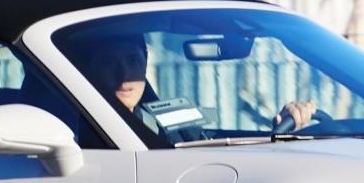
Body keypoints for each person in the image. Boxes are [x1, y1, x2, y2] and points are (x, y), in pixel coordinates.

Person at [86, 34, 316, 135]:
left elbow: (218, 146)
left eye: (133, 60)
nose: (124, 74)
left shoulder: (174, 123)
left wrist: (281, 131)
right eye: (108, 62)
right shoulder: (76, 135)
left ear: (145, 62)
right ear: (91, 68)